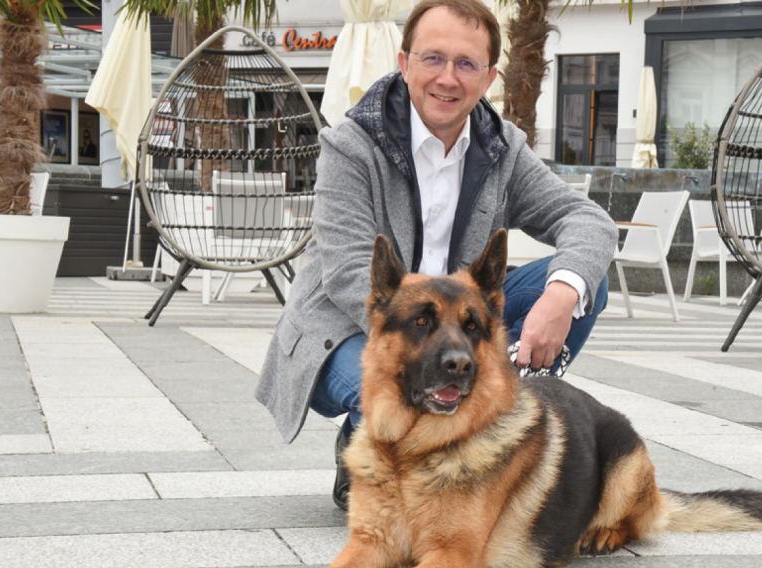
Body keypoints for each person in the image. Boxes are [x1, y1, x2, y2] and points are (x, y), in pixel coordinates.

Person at [255, 0, 618, 510]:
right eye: (433, 59)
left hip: (455, 321)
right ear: (404, 64)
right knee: (397, 387)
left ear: (490, 77)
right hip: (345, 328)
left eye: (466, 64)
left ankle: (487, 442)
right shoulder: (351, 146)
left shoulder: (502, 149)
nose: (448, 78)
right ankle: (364, 443)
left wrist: (561, 295)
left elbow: (587, 221)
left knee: (585, 285)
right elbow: (347, 274)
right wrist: (432, 341)